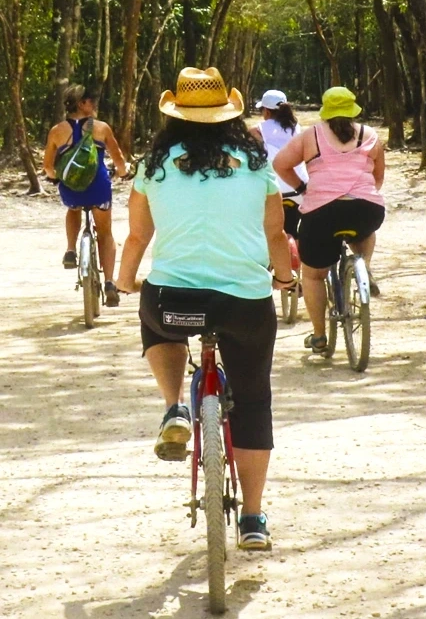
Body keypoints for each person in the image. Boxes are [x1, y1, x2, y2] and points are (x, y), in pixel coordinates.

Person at [116, 67, 294, 550]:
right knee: (253, 401)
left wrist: (123, 278)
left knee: (158, 327)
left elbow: (137, 235)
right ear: (229, 114)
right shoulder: (255, 161)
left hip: (172, 300)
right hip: (244, 303)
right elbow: (275, 234)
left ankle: (174, 405)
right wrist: (284, 277)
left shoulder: (154, 163)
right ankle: (253, 519)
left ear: (173, 114)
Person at [273, 86, 385, 354]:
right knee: (365, 229)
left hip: (321, 212)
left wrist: (302, 188)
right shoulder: (371, 136)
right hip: (367, 209)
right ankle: (364, 267)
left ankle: (320, 335)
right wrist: (360, 195)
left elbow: (280, 164)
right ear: (353, 109)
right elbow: (378, 178)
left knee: (313, 275)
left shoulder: (311, 135)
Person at [42, 84, 129, 307]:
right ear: (82, 104)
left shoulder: (56, 131)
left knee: (73, 209)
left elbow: (48, 167)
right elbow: (118, 160)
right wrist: (124, 173)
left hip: (71, 191)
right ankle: (110, 283)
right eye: (91, 100)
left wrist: (55, 178)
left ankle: (71, 250)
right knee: (106, 233)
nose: (94, 104)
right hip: (99, 187)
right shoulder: (101, 128)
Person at [250, 89, 306, 237]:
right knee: (293, 229)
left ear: (266, 112)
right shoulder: (297, 128)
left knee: (269, 232)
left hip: (273, 191)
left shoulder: (256, 131)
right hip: (299, 189)